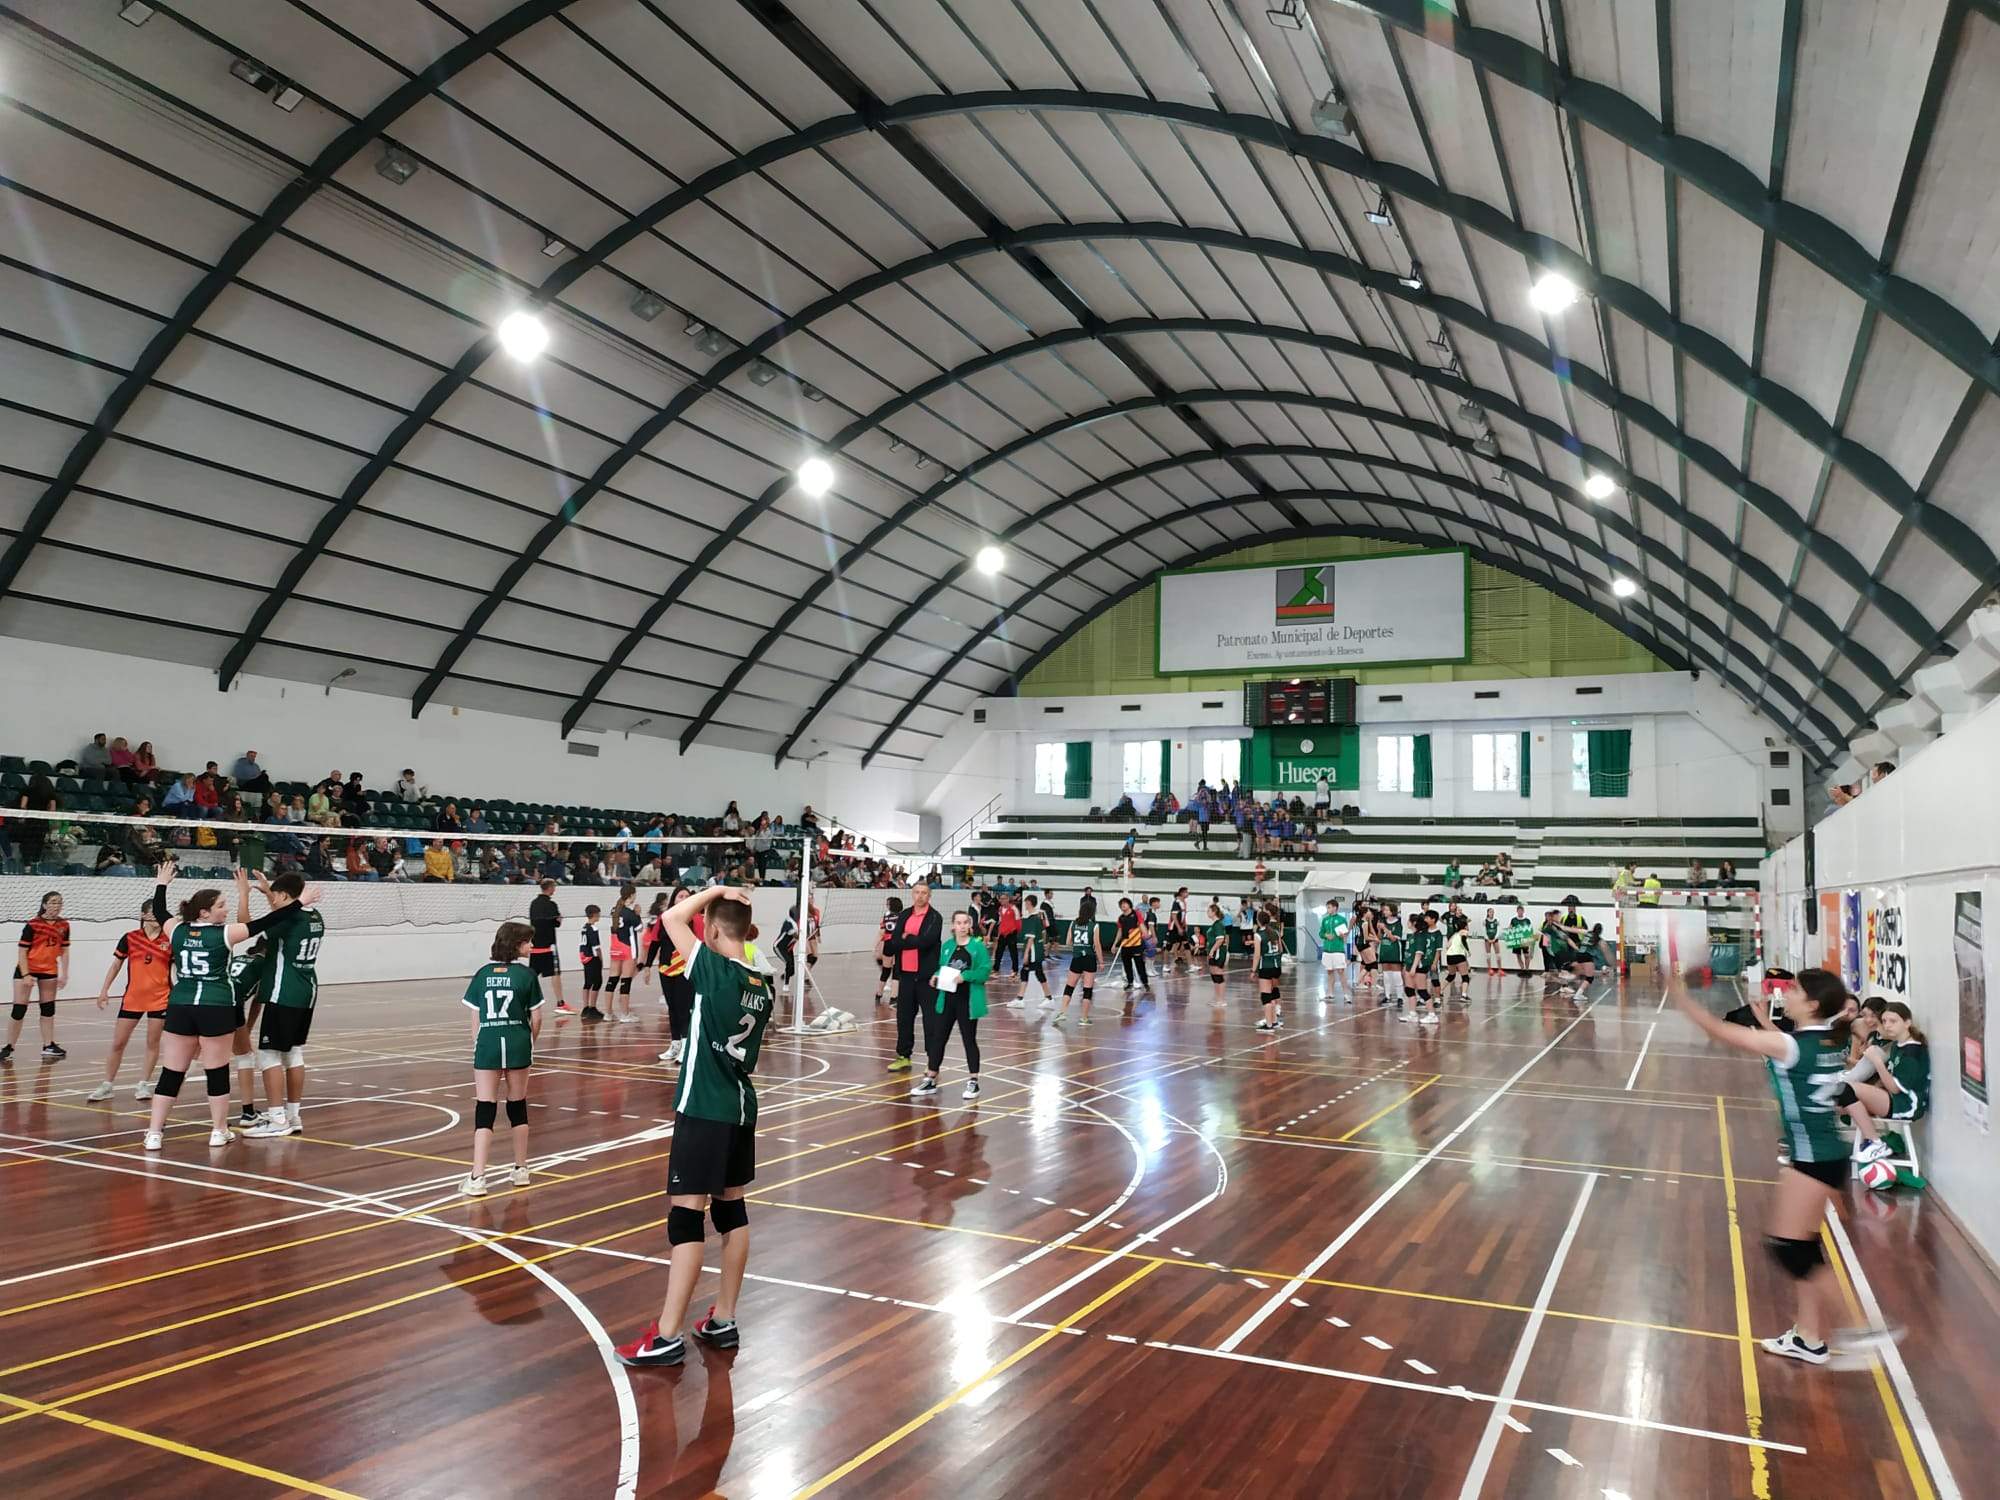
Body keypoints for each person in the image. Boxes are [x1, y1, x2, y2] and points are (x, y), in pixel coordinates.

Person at [1671, 969, 1870, 1365]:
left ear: (1812, 1004)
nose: (1787, 993)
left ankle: (1864, 1328)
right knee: (1803, 1247)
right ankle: (1808, 1338)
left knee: (1789, 1249)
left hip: (1813, 1157)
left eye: (1794, 990)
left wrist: (1679, 996)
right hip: (1824, 1153)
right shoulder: (1829, 1038)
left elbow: (1718, 1030)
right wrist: (1765, 1022)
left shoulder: (1792, 1046)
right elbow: (1791, 1049)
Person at [618, 886, 771, 1368]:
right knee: (732, 1211)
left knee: (686, 1217)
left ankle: (665, 1336)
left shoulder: (714, 970)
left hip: (704, 1106)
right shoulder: (761, 982)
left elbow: (669, 919)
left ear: (710, 930)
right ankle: (723, 1318)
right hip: (741, 1105)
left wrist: (717, 890)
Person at [142, 860, 300, 1150]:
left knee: (171, 1072)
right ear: (205, 912)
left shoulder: (175, 930)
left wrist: (162, 882)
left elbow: (161, 910)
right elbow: (266, 923)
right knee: (216, 1071)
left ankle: (154, 1133)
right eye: (221, 906)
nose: (226, 910)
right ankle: (218, 1131)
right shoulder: (225, 934)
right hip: (216, 1006)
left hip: (181, 1006)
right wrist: (299, 902)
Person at [459, 920, 542, 1196]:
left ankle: (477, 1177)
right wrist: (529, 1042)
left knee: (485, 1108)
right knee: (517, 1107)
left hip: (488, 1044)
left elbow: (475, 1017)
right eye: (528, 941)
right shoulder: (527, 975)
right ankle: (520, 1170)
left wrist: (479, 1044)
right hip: (518, 1043)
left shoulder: (483, 974)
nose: (531, 945)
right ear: (516, 944)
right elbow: (537, 1017)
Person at [242, 871, 326, 1138]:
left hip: (284, 993)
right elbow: (281, 916)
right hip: (306, 991)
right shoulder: (314, 917)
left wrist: (243, 894)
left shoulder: (289, 919)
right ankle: (292, 1115)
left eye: (275, 896)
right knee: (293, 1053)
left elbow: (246, 926)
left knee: (268, 1054)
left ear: (285, 896)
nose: (273, 901)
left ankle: (277, 1119)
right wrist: (269, 892)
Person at [87, 900, 171, 1100]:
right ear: (143, 915)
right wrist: (104, 990)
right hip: (133, 998)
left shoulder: (169, 939)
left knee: (153, 1042)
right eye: (152, 913)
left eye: (159, 913)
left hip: (161, 998)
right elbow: (116, 965)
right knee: (118, 1043)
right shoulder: (130, 938)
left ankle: (143, 1085)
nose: (156, 917)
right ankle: (107, 1085)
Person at [1841, 1001, 1930, 1165]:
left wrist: (1877, 1062)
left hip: (1907, 1106)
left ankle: (1875, 1142)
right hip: (1892, 1099)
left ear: (1907, 1023)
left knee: (1846, 1089)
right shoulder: (1897, 1045)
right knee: (1835, 1101)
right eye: (1884, 1021)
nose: (1887, 1025)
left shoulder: (1913, 1051)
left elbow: (1895, 1088)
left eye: (1893, 1021)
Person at [915, 909, 990, 1100]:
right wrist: (937, 976)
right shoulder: (947, 946)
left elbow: (984, 972)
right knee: (938, 1038)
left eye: (965, 923)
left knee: (968, 1039)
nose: (962, 926)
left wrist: (965, 976)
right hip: (947, 999)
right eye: (959, 922)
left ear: (970, 926)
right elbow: (943, 968)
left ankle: (974, 1081)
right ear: (953, 925)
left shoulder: (977, 947)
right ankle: (931, 1077)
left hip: (967, 1001)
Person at [883, 882, 942, 1072]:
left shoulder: (934, 917)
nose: (920, 896)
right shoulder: (905, 915)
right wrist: (907, 938)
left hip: (926, 976)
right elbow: (894, 941)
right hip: (906, 975)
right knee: (904, 1017)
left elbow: (926, 941)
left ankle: (932, 1061)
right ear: (912, 894)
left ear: (929, 896)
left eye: (924, 893)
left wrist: (906, 938)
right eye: (917, 892)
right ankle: (903, 1056)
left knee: (930, 1019)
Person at [5, 890, 69, 1063]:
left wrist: (65, 974)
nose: (57, 906)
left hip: (48, 970)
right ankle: (8, 1047)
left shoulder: (64, 925)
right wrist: (26, 974)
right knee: (19, 1009)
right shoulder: (33, 924)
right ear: (44, 905)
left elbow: (64, 950)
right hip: (28, 968)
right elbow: (22, 950)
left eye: (59, 902)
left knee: (48, 1009)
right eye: (53, 902)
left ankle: (48, 1045)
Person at [1054, 906, 1103, 1026]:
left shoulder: (1073, 923)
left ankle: (1062, 1012)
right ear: (1092, 913)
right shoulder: (1094, 926)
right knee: (1087, 989)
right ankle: (1084, 1018)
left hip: (1076, 958)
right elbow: (1097, 945)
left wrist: (1078, 945)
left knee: (1069, 987)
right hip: (1089, 958)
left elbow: (1067, 942)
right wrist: (1101, 961)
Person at [527, 878, 569, 1017]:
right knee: (555, 973)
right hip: (549, 945)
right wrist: (559, 920)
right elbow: (556, 923)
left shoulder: (533, 904)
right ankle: (560, 1003)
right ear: (550, 888)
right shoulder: (551, 905)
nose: (555, 889)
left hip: (535, 944)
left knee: (532, 975)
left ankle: (525, 1002)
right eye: (554, 887)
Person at [607, 883, 641, 1024]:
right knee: (625, 981)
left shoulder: (615, 910)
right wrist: (637, 914)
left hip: (615, 947)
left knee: (612, 980)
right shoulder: (630, 913)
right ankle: (625, 1013)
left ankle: (608, 1013)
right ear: (631, 895)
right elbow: (639, 928)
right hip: (627, 948)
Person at [1251, 903, 1284, 1030]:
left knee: (1266, 996)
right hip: (1277, 967)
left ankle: (1269, 1025)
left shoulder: (1258, 935)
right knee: (1273, 993)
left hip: (1265, 967)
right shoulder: (1275, 932)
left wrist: (1253, 971)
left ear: (1258, 921)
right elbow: (1280, 949)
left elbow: (1257, 955)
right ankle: (1274, 1022)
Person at [1403, 912, 1439, 1025]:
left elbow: (1419, 953)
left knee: (1422, 991)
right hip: (1409, 965)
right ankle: (1412, 1014)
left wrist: (1413, 967)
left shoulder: (1421, 936)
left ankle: (1432, 1015)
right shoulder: (1412, 935)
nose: (1407, 922)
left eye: (1409, 920)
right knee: (1409, 989)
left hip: (1419, 966)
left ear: (1414, 923)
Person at [1016, 893, 1050, 1008]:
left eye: (1025, 902)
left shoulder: (1032, 918)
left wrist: (1026, 953)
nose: (1024, 905)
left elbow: (1031, 937)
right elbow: (1044, 932)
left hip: (1033, 950)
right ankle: (1020, 999)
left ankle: (1021, 999)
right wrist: (1044, 945)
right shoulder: (1039, 916)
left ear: (1029, 903)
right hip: (1038, 949)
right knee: (1032, 972)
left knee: (1031, 972)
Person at [1114, 897, 1151, 996]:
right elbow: (1120, 931)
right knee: (1127, 966)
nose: (1123, 905)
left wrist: (1145, 933)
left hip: (1136, 945)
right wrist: (1115, 944)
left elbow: (1141, 924)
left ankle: (1145, 983)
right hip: (1125, 946)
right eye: (1121, 904)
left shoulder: (1136, 914)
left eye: (1125, 903)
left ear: (1129, 905)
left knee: (1140, 965)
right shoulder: (1120, 918)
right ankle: (1130, 983)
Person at [873, 895, 904, 1005]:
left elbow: (882, 932)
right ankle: (894, 997)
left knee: (886, 970)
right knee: (896, 971)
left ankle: (878, 994)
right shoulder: (903, 916)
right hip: (899, 943)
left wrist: (875, 946)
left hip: (888, 943)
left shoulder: (886, 916)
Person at [1317, 898, 1349, 1001]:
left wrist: (1342, 935)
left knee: (1341, 971)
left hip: (1338, 949)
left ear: (1335, 908)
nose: (1328, 909)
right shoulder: (1325, 919)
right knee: (1329, 972)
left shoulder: (1341, 919)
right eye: (1327, 907)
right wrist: (1326, 935)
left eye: (1329, 907)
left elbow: (1345, 935)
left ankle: (1346, 994)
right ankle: (1330, 993)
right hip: (1327, 950)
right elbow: (1321, 933)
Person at [578, 904, 605, 1020]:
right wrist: (601, 959)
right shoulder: (593, 928)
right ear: (594, 914)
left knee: (588, 982)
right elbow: (596, 947)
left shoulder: (584, 927)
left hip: (584, 956)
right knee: (597, 982)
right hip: (592, 957)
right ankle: (592, 1008)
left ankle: (585, 1008)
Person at [1203, 901, 1230, 1005]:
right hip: (1213, 952)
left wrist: (1212, 951)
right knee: (1214, 975)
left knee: (1219, 975)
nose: (1207, 912)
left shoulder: (1218, 924)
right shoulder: (1214, 924)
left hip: (1218, 952)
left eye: (1208, 910)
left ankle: (1221, 1000)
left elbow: (1220, 940)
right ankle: (1217, 999)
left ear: (1214, 912)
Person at [1442, 917, 1471, 1006]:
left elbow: (1447, 946)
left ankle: (1440, 990)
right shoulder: (1464, 932)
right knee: (1465, 977)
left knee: (1451, 975)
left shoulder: (1454, 935)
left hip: (1449, 956)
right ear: (1465, 926)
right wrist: (1467, 950)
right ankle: (1463, 995)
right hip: (1459, 955)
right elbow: (1463, 939)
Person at [992, 893, 1022, 977]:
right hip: (1002, 934)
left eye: (1004, 898)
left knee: (1013, 952)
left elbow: (1018, 921)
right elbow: (1000, 922)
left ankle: (1015, 970)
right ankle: (996, 969)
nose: (1002, 900)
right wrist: (999, 933)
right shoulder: (1000, 909)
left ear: (1008, 899)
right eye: (1001, 899)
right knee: (999, 952)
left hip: (1011, 933)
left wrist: (1015, 932)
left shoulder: (1013, 908)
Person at [1481, 906, 1501, 975]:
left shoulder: (1496, 920)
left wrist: (1495, 938)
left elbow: (1498, 930)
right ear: (1488, 913)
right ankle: (1490, 969)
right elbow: (1484, 931)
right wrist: (1487, 938)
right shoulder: (1485, 921)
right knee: (1488, 955)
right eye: (1490, 912)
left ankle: (1500, 970)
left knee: (1498, 955)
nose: (1491, 913)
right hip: (1488, 939)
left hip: (1495, 939)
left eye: (1492, 912)